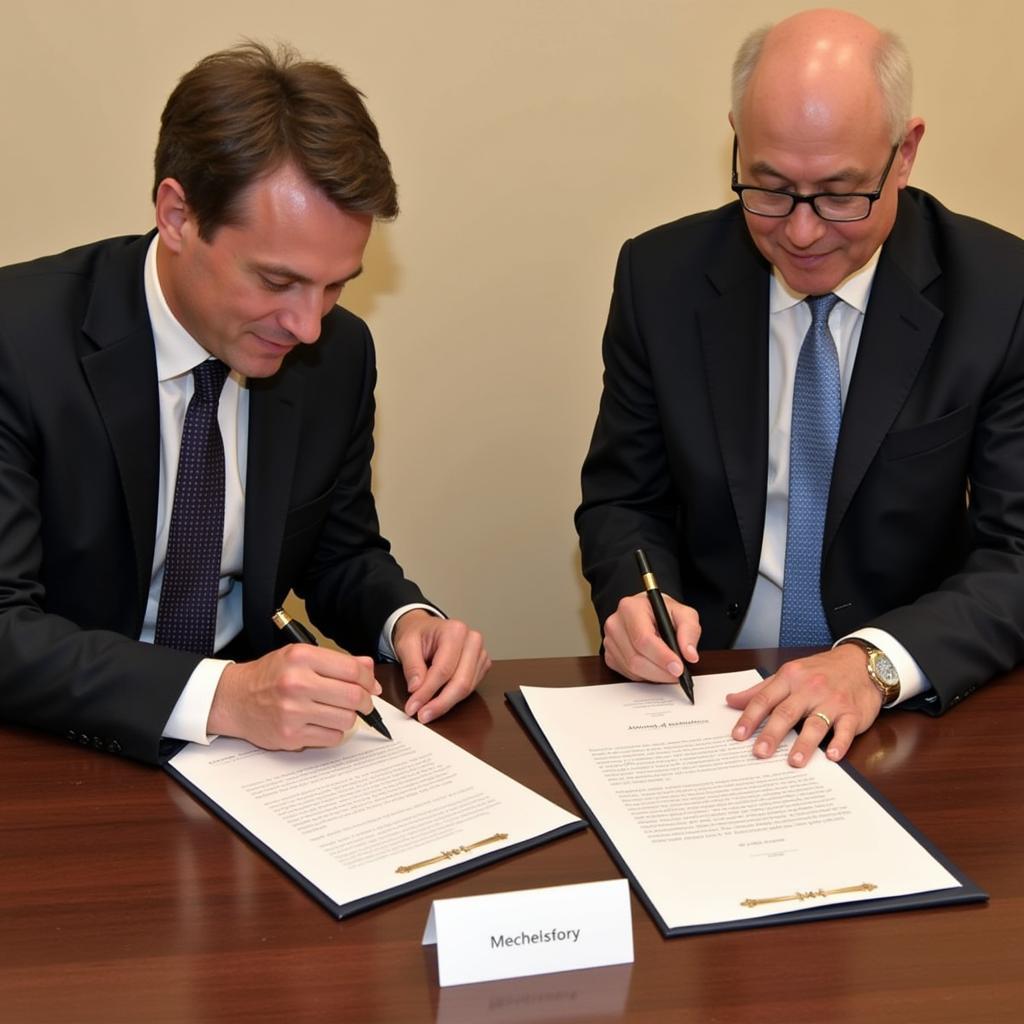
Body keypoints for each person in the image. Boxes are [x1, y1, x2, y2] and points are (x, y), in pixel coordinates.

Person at [0, 42, 490, 764]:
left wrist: (405, 621)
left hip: (259, 758)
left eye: (337, 285)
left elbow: (339, 553)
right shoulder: (19, 341)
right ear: (177, 216)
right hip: (60, 747)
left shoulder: (336, 356)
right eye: (278, 280)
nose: (308, 325)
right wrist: (221, 697)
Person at [576, 8, 1024, 768]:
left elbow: (1016, 554)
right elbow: (626, 501)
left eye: (842, 194)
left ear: (905, 153)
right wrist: (635, 596)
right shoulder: (662, 279)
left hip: (900, 713)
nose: (804, 232)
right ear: (737, 142)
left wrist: (873, 663)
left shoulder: (1000, 293)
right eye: (770, 188)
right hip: (708, 702)